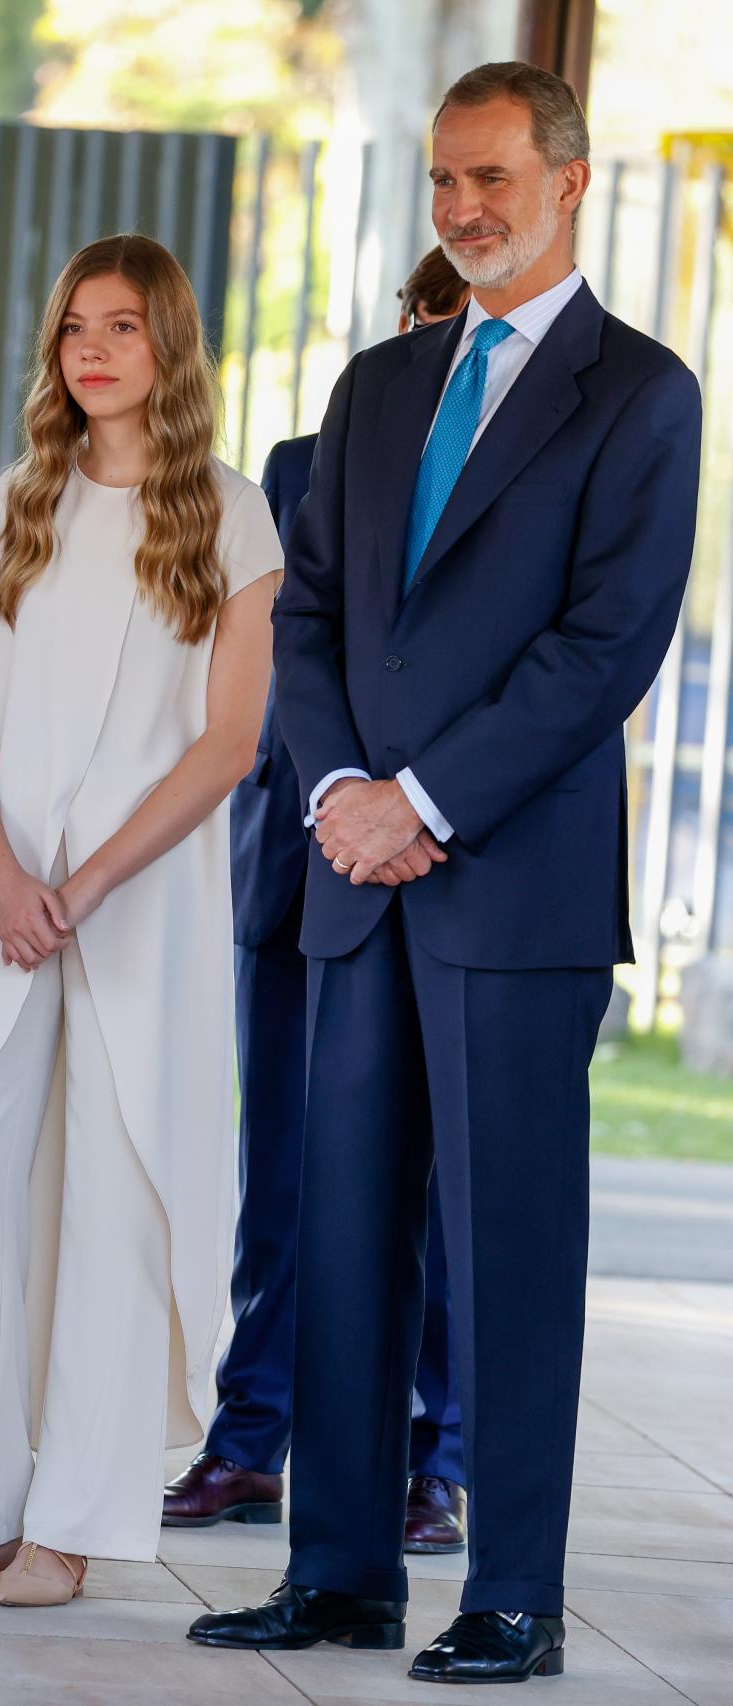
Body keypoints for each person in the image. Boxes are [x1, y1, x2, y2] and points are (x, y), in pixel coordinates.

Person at [187, 61, 702, 1684]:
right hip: (358, 879)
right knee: (341, 1233)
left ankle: (513, 1597)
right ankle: (339, 1573)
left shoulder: (644, 394)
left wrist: (420, 797)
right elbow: (310, 614)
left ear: (569, 181)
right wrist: (343, 790)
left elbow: (604, 648)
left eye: (493, 177)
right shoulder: (377, 386)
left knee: (508, 1255)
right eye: (444, 181)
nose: (465, 208)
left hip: (513, 894)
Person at [0, 234, 283, 1607]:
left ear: (171, 345)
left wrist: (88, 882)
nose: (92, 350)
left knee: (116, 1187)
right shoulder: (19, 497)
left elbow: (229, 743)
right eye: (74, 327)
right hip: (5, 893)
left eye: (123, 325)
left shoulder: (231, 515)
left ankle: (73, 1522)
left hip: (141, 898)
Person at [164, 246, 470, 1559]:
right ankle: (251, 1436)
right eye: (425, 314)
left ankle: (434, 1460)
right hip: (301, 859)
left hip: (452, 859)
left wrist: (414, 810)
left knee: (439, 1183)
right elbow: (285, 656)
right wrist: (343, 802)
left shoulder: (525, 473)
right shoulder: (302, 463)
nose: (437, 339)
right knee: (282, 1170)